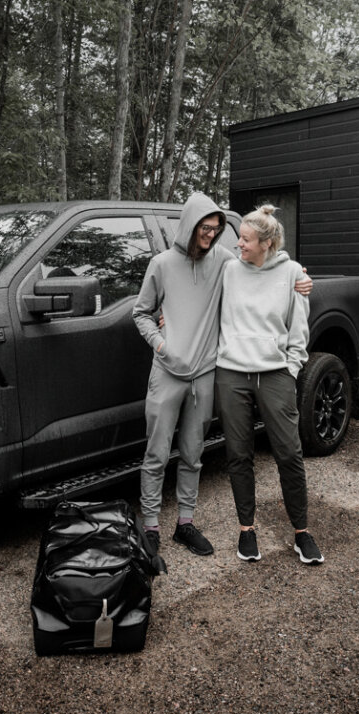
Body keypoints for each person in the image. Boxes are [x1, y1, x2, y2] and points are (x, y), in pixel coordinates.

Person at [132, 194, 311, 556]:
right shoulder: (162, 264)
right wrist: (161, 344)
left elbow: (266, 265)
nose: (212, 236)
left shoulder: (225, 263)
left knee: (193, 455)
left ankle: (185, 523)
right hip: (167, 372)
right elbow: (141, 313)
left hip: (204, 376)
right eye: (206, 228)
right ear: (190, 225)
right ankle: (150, 526)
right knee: (156, 454)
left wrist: (302, 278)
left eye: (216, 230)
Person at [215, 204, 324, 565]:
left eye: (245, 239)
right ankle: (246, 530)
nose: (238, 244)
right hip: (231, 373)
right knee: (238, 455)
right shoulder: (229, 269)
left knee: (289, 454)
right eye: (239, 238)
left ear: (266, 242)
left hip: (275, 374)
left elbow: (299, 330)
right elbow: (192, 274)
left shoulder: (292, 273)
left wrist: (291, 369)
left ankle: (301, 532)